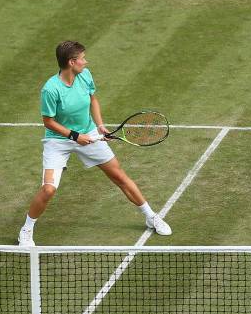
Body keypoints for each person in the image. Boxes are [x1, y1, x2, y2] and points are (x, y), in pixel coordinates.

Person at [18, 41, 171, 246]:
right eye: (82, 58)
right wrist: (74, 136)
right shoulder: (51, 89)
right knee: (48, 189)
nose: (85, 61)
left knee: (119, 176)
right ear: (72, 62)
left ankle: (151, 216)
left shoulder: (85, 76)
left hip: (89, 132)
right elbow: (49, 122)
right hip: (58, 141)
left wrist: (100, 126)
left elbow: (93, 100)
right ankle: (26, 230)